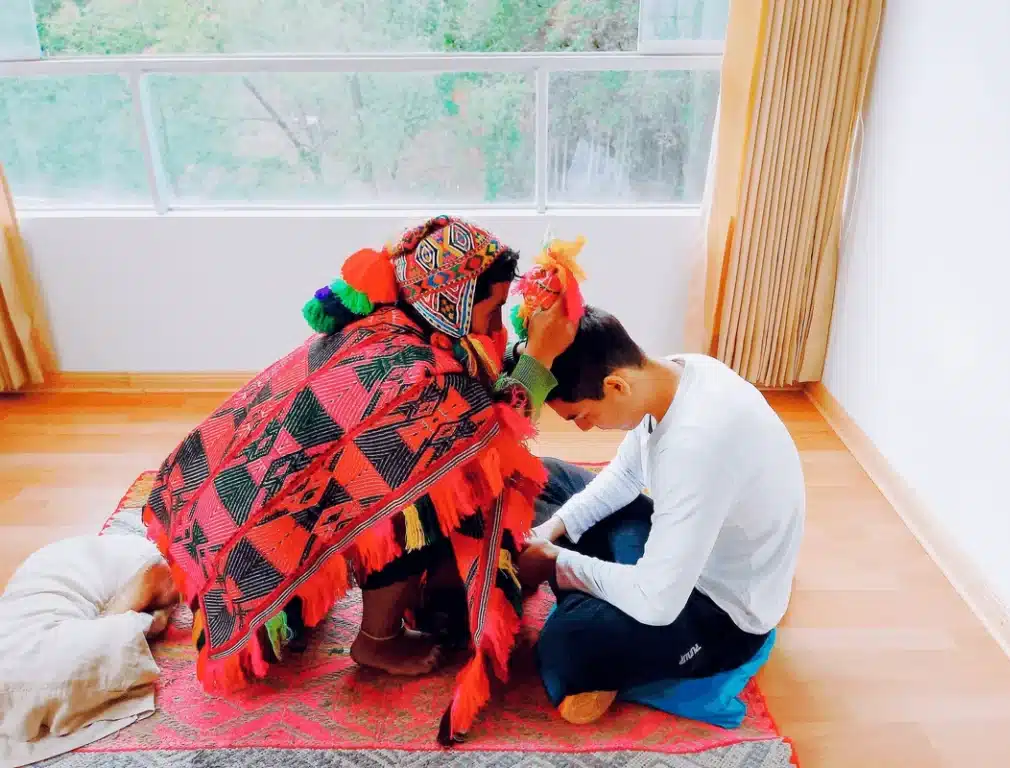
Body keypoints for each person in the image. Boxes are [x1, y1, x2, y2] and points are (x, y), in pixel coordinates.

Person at [142, 216, 574, 744]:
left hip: (214, 516)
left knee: (425, 484)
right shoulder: (421, 381)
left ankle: (209, 587)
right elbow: (492, 423)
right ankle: (377, 639)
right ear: (456, 302)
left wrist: (528, 340)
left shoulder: (393, 321)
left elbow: (479, 387)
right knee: (412, 504)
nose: (496, 317)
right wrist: (542, 355)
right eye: (492, 305)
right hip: (255, 552)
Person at [515, 306, 806, 724]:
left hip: (719, 613)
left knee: (566, 648)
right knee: (544, 477)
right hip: (679, 552)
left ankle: (601, 624)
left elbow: (659, 604)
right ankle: (597, 588)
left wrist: (556, 562)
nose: (582, 429)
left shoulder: (696, 446)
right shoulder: (679, 374)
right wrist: (546, 533)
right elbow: (624, 476)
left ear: (615, 385)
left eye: (581, 416)